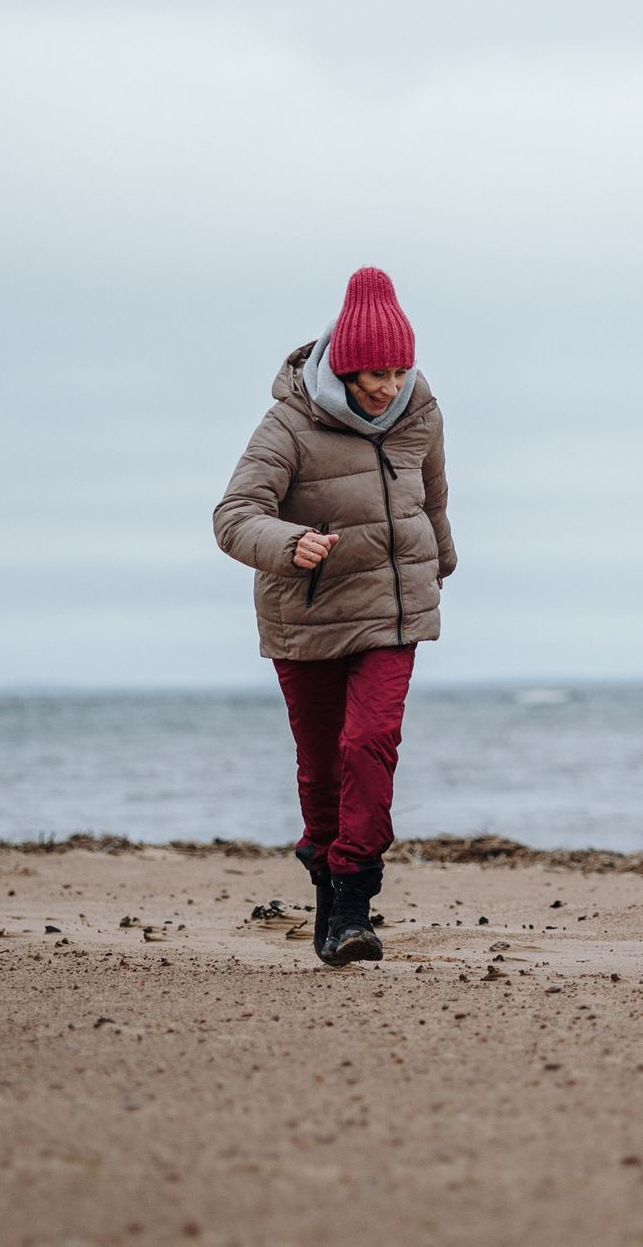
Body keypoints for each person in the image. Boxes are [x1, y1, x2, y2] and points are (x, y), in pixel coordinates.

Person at [214, 267, 454, 967]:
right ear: (343, 366)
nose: (387, 384)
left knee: (369, 741)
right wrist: (290, 543)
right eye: (373, 371)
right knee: (321, 765)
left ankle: (354, 896)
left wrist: (440, 557)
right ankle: (328, 887)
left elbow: (432, 497)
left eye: (398, 367)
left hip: (393, 608)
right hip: (306, 617)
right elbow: (233, 517)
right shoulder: (288, 422)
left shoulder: (421, 411)